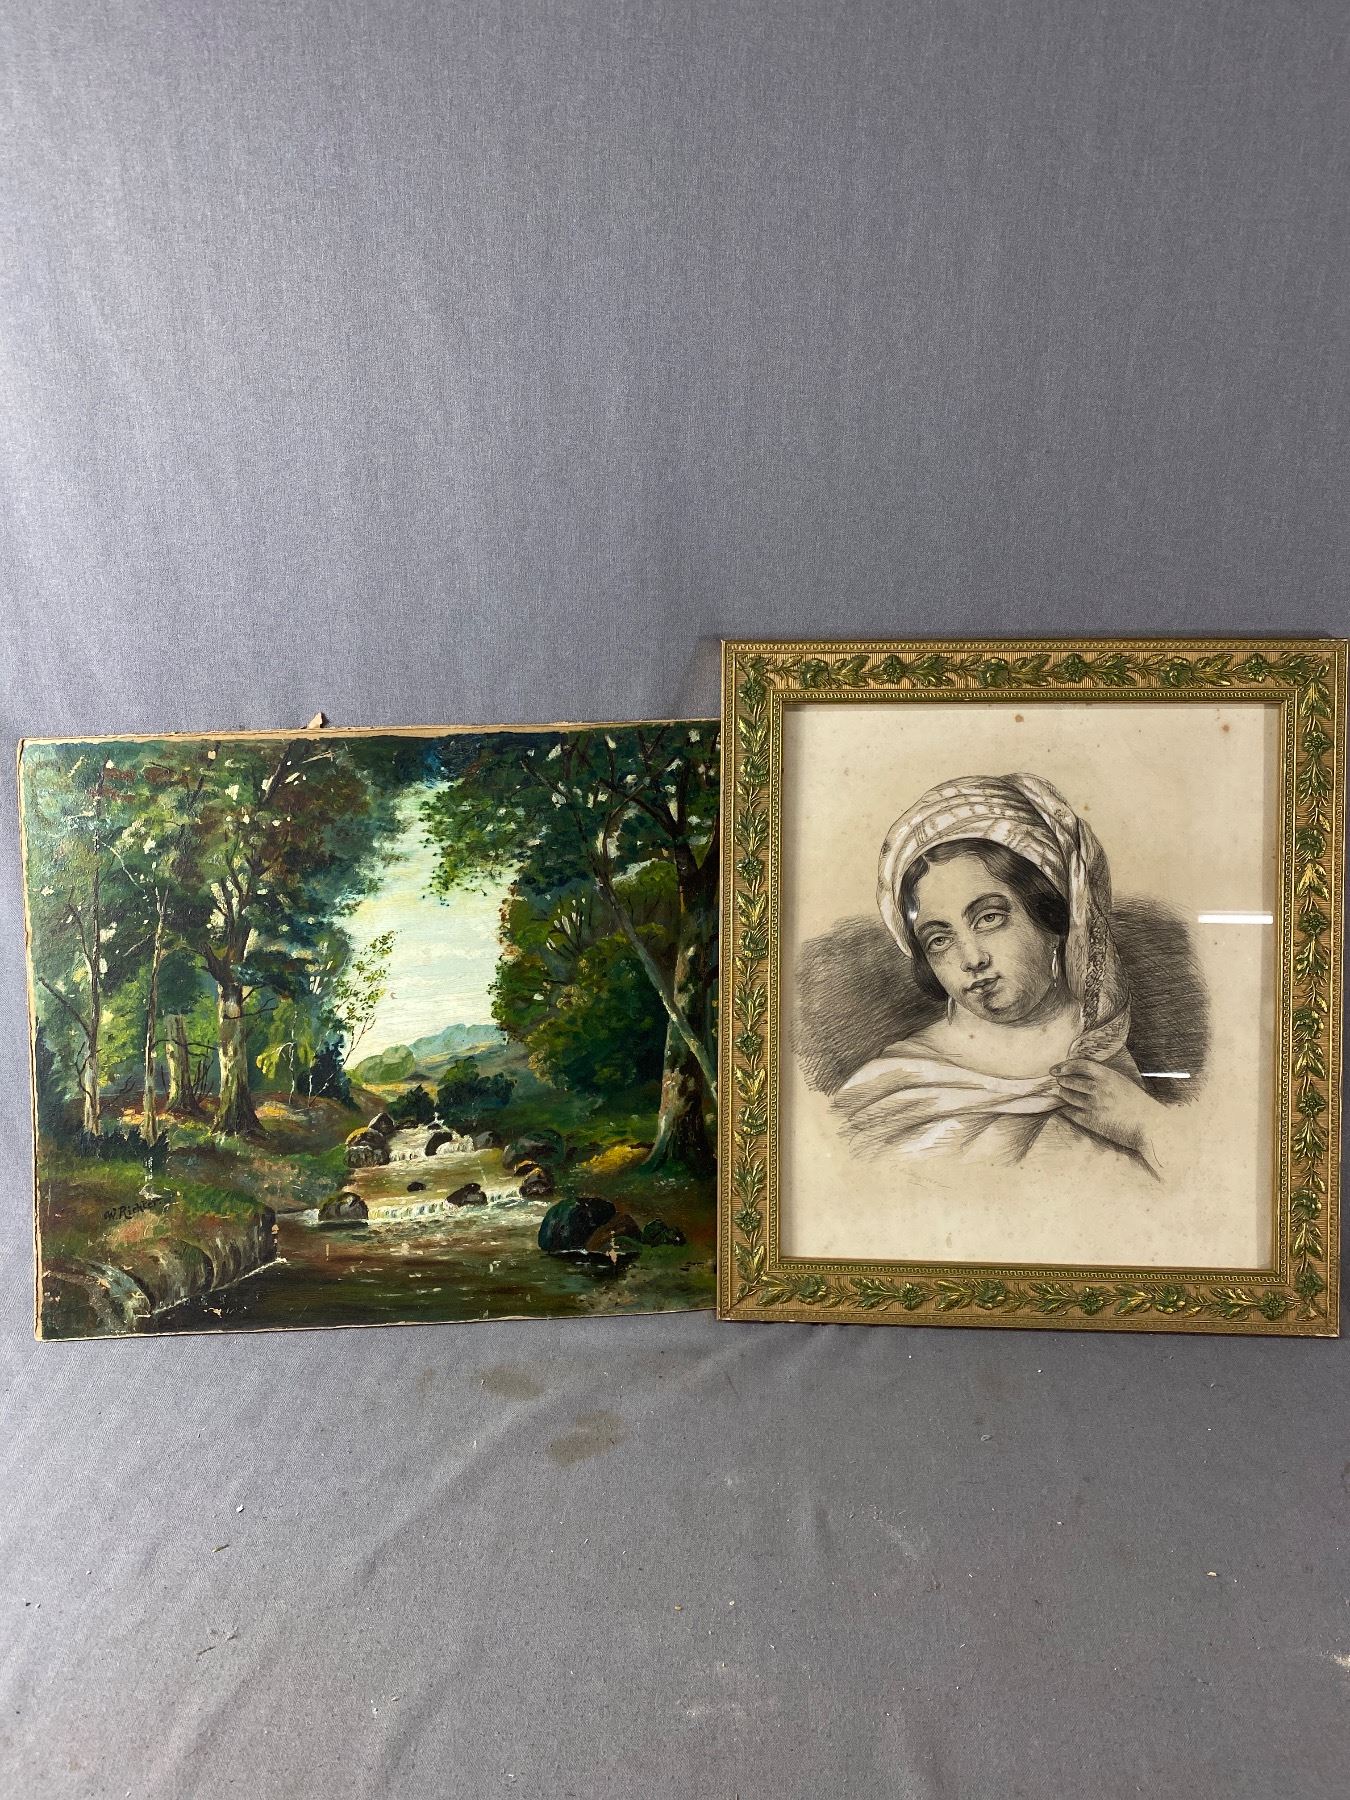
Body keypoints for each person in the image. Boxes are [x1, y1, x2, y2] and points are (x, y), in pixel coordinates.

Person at [834, 773, 1166, 1173]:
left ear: (1054, 920)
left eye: (989, 918)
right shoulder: (885, 1091)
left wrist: (1147, 1126)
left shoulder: (1106, 1070)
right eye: (939, 939)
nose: (971, 959)